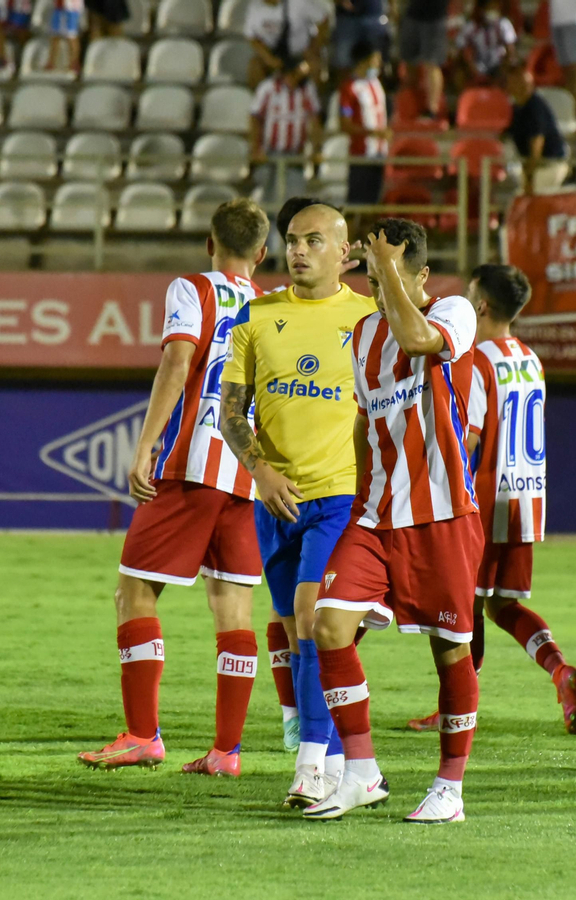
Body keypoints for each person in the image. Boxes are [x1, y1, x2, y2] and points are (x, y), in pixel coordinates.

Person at [75, 199, 271, 777]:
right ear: (262, 255)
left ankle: (141, 735)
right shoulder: (273, 306)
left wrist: (146, 445)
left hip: (192, 464)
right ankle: (226, 752)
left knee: (133, 591)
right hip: (245, 473)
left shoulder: (193, 288)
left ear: (210, 244)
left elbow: (178, 362)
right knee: (232, 603)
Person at [303, 218, 483, 823]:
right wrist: (359, 499)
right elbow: (362, 421)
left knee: (450, 652)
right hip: (376, 515)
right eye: (373, 281)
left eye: (392, 277)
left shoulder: (454, 311)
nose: (380, 291)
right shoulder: (361, 336)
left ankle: (449, 790)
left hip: (442, 516)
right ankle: (359, 771)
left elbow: (417, 341)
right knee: (327, 626)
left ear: (422, 276)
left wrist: (387, 275)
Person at [219, 201, 377, 807]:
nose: (299, 249)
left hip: (338, 496)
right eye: (292, 239)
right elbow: (232, 412)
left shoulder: (369, 319)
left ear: (344, 252)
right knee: (295, 632)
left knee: (313, 622)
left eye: (315, 240)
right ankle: (349, 763)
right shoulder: (256, 316)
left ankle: (311, 764)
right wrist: (259, 472)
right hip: (274, 500)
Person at [406, 263, 576, 736]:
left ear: (481, 306)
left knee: (461, 603)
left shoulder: (479, 359)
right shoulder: (530, 358)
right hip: (526, 498)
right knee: (501, 604)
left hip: (485, 501)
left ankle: (456, 708)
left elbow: (469, 438)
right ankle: (560, 670)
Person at [249, 55, 321, 209]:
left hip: (295, 154)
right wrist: (255, 147)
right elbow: (255, 119)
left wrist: (315, 149)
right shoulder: (268, 88)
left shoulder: (307, 90)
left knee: (293, 200)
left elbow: (314, 121)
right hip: (269, 153)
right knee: (266, 199)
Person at [338, 41, 388, 212]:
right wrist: (372, 133)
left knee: (372, 210)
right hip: (361, 156)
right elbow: (345, 124)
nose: (379, 64)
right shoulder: (350, 88)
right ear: (363, 61)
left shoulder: (376, 84)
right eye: (375, 59)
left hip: (380, 155)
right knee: (355, 208)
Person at [505, 66, 568, 195]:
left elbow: (536, 145)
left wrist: (529, 179)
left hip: (549, 166)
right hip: (531, 166)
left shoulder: (535, 107)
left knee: (524, 198)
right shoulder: (516, 108)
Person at [243, 0, 329, 88]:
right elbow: (252, 37)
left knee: (315, 65)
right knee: (255, 66)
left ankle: (313, 99)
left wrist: (314, 47)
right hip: (273, 54)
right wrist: (269, 58)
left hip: (301, 55)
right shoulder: (254, 6)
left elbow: (324, 20)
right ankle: (261, 99)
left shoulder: (300, 2)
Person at [453, 0, 517, 90]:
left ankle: (503, 98)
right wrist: (472, 67)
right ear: (482, 9)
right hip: (476, 66)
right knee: (459, 72)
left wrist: (506, 66)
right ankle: (465, 99)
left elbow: (510, 49)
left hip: (498, 66)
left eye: (496, 8)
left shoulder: (503, 24)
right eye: (491, 8)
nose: (494, 11)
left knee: (512, 68)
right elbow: (463, 49)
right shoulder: (470, 27)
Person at [400, 0, 448, 118]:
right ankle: (408, 106)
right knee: (409, 62)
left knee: (432, 63)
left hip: (435, 17)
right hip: (412, 14)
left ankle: (432, 110)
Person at [330, 0, 388, 87]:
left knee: (376, 61)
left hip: (374, 16)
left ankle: (375, 96)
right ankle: (346, 96)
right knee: (344, 64)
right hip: (347, 18)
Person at [0, 0, 33, 69]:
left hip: (20, 8)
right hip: (2, 8)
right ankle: (0, 59)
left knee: (21, 29)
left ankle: (23, 54)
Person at [45, 0, 82, 73]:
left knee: (71, 36)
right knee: (55, 36)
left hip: (71, 9)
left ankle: (74, 63)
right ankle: (51, 62)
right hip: (58, 8)